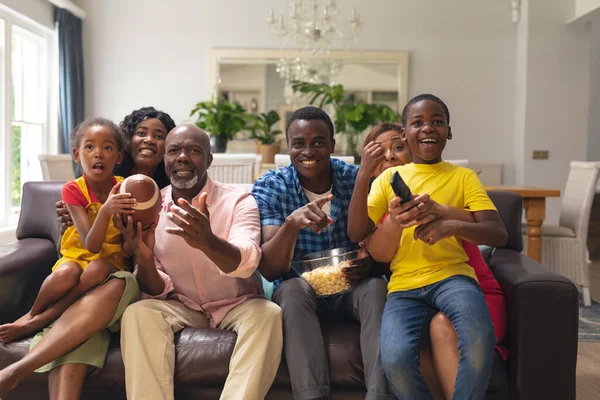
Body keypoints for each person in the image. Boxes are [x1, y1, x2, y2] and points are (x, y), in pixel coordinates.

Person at [118, 124, 282, 400]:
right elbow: (157, 288)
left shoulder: (239, 200)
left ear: (209, 159)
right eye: (174, 151)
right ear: (165, 160)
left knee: (269, 314)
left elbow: (248, 261)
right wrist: (144, 260)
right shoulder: (151, 207)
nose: (182, 157)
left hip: (237, 304)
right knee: (139, 313)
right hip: (182, 305)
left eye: (193, 150)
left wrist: (207, 241)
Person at [348, 122, 508, 400]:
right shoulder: (379, 208)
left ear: (412, 148)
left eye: (397, 148)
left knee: (441, 326)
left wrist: (446, 215)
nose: (389, 157)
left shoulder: (440, 192)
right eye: (378, 153)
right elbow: (368, 244)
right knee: (404, 349)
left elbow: (490, 227)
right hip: (415, 295)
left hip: (470, 288)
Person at [252, 106, 393, 400]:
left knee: (377, 288)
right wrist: (291, 224)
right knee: (290, 290)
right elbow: (270, 269)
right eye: (298, 143)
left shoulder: (359, 179)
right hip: (300, 291)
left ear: (332, 144)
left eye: (318, 142)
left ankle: (379, 395)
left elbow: (380, 241)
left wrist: (369, 265)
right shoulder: (271, 186)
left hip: (352, 286)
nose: (308, 151)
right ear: (288, 146)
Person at [0, 118, 140, 399]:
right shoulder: (74, 190)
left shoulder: (126, 188)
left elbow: (127, 248)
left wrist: (130, 239)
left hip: (110, 271)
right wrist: (105, 211)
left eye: (107, 147)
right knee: (68, 274)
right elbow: (89, 243)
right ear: (77, 154)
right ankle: (32, 315)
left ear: (119, 156)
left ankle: (35, 329)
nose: (98, 153)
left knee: (100, 267)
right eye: (89, 147)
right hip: (78, 258)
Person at [57, 106, 176, 231]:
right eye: (141, 133)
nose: (149, 140)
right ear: (127, 140)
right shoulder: (104, 178)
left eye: (158, 136)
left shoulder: (171, 191)